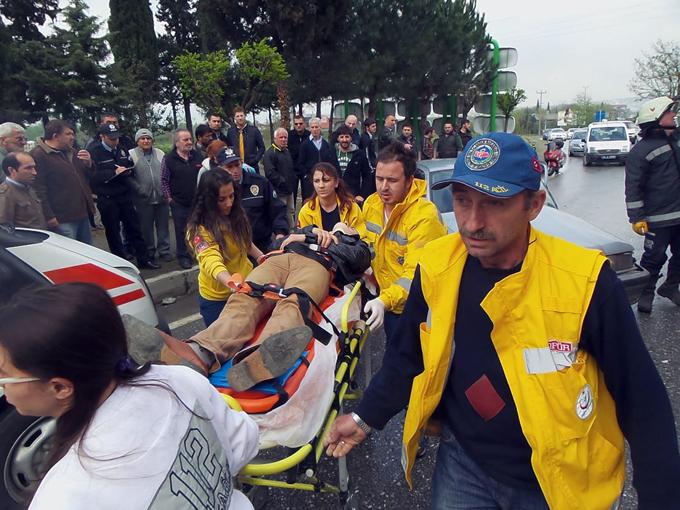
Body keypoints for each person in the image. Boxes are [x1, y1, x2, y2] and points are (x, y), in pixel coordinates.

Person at [325, 132, 680, 509]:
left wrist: (661, 495)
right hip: (464, 466)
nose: (473, 222)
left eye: (494, 203)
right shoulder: (436, 266)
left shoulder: (584, 280)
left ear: (534, 205)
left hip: (556, 481)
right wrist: (365, 417)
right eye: (462, 201)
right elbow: (406, 357)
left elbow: (640, 395)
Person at [0, 282, 258, 510]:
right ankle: (211, 353)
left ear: (60, 387)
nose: (2, 383)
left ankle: (208, 352)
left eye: (3, 372)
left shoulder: (64, 495)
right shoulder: (180, 380)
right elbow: (244, 441)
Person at [159, 222, 371, 390]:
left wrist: (337, 238)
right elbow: (280, 243)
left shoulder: (356, 245)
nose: (341, 224)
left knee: (295, 303)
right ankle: (201, 351)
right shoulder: (310, 229)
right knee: (246, 296)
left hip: (318, 264)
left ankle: (260, 357)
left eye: (347, 225)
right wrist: (307, 234)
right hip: (281, 259)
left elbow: (358, 260)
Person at [360, 141, 447, 341]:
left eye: (392, 180)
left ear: (409, 181)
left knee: (414, 368)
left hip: (418, 311)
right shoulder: (372, 205)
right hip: (389, 303)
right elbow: (368, 244)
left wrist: (384, 300)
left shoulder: (423, 216)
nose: (383, 187)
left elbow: (415, 275)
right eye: (379, 178)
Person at [186, 170, 263, 327]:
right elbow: (211, 260)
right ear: (208, 200)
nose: (229, 203)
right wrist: (231, 282)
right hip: (217, 300)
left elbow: (245, 241)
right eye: (222, 199)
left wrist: (262, 258)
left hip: (246, 287)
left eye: (232, 196)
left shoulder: (235, 213)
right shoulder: (199, 230)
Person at [625, 96, 680, 313]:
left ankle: (670, 286)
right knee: (654, 257)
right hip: (658, 218)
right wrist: (637, 217)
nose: (674, 115)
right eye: (669, 112)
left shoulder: (676, 140)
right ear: (656, 118)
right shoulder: (641, 151)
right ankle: (646, 291)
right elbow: (633, 187)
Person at [89, 123, 159, 269]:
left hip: (124, 196)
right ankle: (121, 264)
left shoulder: (121, 150)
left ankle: (144, 259)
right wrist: (112, 173)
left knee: (134, 228)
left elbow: (129, 167)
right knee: (113, 232)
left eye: (116, 138)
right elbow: (92, 177)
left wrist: (127, 171)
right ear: (102, 137)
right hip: (107, 198)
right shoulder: (94, 152)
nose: (115, 141)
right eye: (111, 138)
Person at [31, 120, 94, 244]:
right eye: (68, 134)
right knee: (71, 256)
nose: (73, 137)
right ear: (55, 136)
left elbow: (87, 178)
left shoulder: (73, 152)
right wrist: (49, 217)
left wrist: (89, 164)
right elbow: (38, 190)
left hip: (82, 214)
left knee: (87, 255)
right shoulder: (38, 155)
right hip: (62, 219)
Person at [214, 148, 288, 253]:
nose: (234, 170)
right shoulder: (215, 189)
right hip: (232, 247)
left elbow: (277, 209)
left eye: (237, 165)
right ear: (220, 168)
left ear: (242, 163)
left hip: (261, 244)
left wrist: (280, 233)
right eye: (229, 167)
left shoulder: (260, 183)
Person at [161, 129, 204, 269]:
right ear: (177, 142)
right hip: (179, 203)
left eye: (190, 139)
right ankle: (184, 256)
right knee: (182, 231)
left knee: (200, 229)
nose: (189, 142)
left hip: (197, 202)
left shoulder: (198, 156)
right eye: (185, 140)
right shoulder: (168, 159)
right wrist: (169, 199)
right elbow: (164, 180)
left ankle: (200, 254)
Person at [128, 129, 171, 263]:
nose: (146, 141)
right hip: (142, 199)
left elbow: (166, 173)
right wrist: (139, 189)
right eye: (142, 138)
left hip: (161, 197)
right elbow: (128, 177)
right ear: (137, 141)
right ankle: (149, 252)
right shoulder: (131, 155)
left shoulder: (160, 153)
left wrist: (166, 191)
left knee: (163, 227)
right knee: (145, 228)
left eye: (148, 138)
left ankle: (164, 251)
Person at [297, 162, 363, 232]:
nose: (321, 185)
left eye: (326, 180)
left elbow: (362, 234)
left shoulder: (351, 207)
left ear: (336, 182)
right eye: (316, 181)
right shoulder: (306, 211)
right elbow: (303, 237)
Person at [0, 152, 46, 229]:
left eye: (34, 167)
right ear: (12, 170)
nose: (34, 172)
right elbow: (4, 229)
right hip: (26, 239)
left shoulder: (28, 187)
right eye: (28, 168)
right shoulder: (5, 194)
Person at [297, 117, 339, 200]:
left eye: (316, 127)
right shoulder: (304, 145)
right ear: (309, 129)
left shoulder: (327, 145)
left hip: (325, 180)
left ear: (320, 128)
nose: (314, 129)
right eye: (312, 127)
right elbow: (300, 163)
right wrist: (306, 176)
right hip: (309, 182)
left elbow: (333, 163)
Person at [263, 128, 297, 229]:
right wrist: (283, 182)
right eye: (281, 137)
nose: (283, 140)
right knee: (280, 214)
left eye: (285, 137)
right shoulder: (270, 153)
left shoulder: (287, 151)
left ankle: (292, 232)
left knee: (291, 212)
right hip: (278, 191)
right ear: (275, 139)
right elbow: (270, 173)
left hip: (289, 190)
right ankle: (281, 234)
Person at [334, 125, 372, 203]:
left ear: (351, 138)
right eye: (341, 137)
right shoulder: (330, 153)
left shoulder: (360, 154)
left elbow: (367, 176)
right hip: (334, 196)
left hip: (353, 196)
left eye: (347, 137)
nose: (344, 140)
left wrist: (362, 195)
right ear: (338, 138)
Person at [226, 107, 265, 171]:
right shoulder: (230, 132)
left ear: (245, 116)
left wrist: (255, 160)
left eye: (241, 115)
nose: (240, 118)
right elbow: (228, 147)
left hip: (252, 166)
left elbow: (262, 147)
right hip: (236, 167)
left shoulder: (254, 130)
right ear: (235, 118)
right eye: (237, 116)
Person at [288, 115, 311, 204]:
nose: (298, 125)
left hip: (306, 169)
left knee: (307, 196)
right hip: (293, 170)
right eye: (296, 124)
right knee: (292, 195)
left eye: (300, 123)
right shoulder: (289, 135)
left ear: (304, 124)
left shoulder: (309, 135)